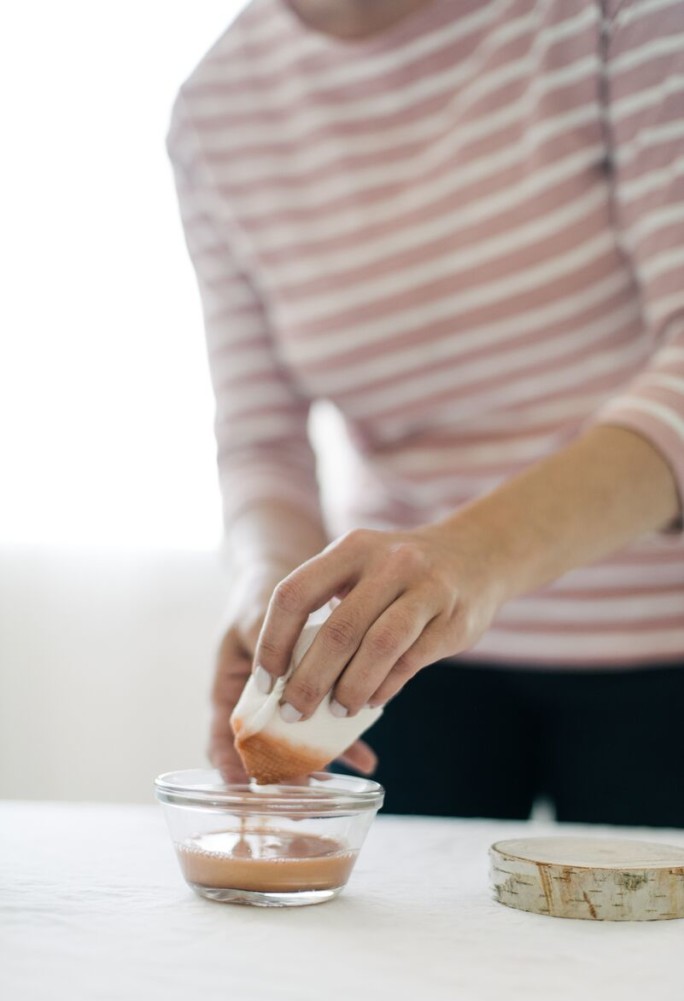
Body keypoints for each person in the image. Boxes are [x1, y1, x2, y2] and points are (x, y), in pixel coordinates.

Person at [167, 0, 684, 825]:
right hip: (404, 663)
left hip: (662, 643)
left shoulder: (616, 16)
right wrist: (273, 592)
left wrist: (471, 558)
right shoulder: (214, 111)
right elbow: (262, 444)